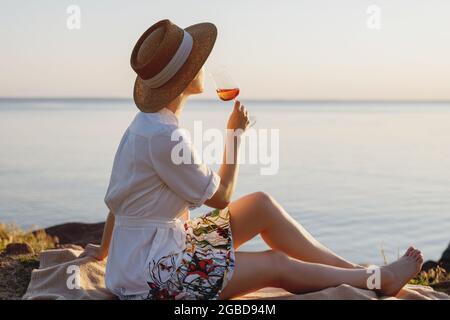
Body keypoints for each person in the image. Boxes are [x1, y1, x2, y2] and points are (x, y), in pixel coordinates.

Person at [81, 19, 423, 300]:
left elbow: (117, 202)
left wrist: (103, 252)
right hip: (157, 278)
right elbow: (221, 197)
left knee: (261, 204)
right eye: (197, 61)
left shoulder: (144, 126)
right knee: (275, 263)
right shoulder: (163, 136)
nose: (204, 65)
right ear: (184, 78)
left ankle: (364, 276)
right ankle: (376, 281)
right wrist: (234, 135)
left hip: (147, 256)